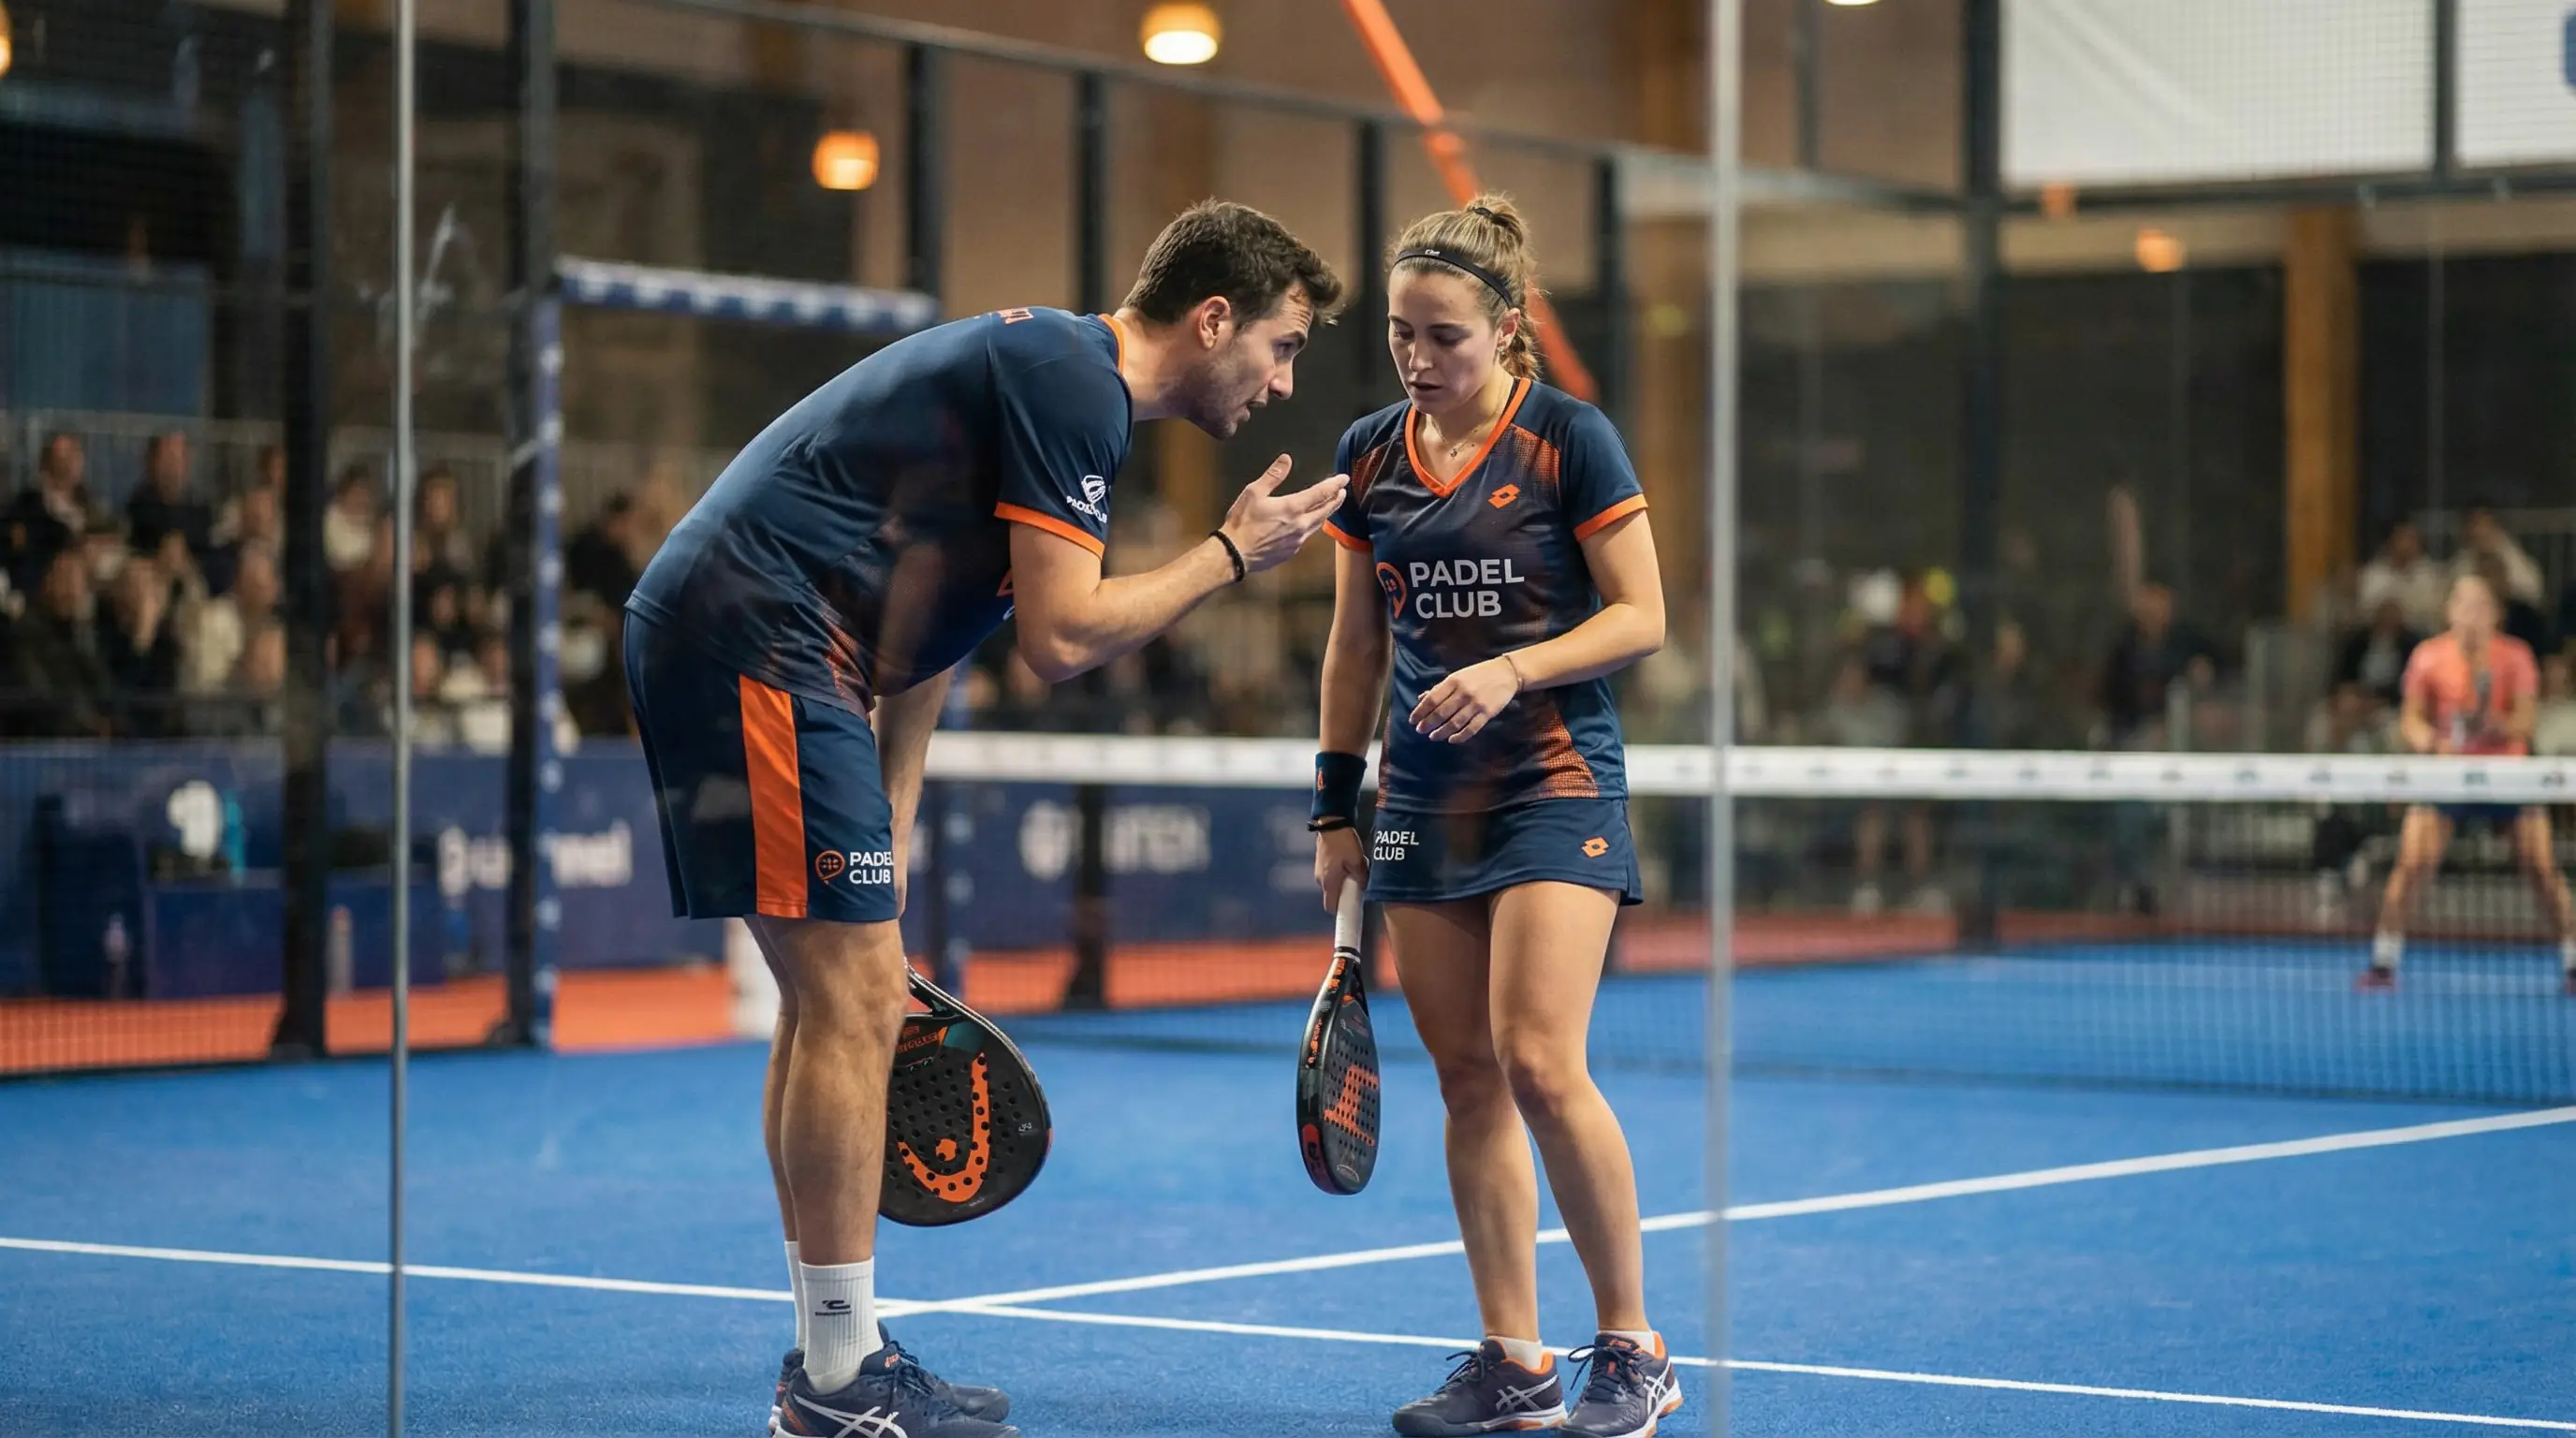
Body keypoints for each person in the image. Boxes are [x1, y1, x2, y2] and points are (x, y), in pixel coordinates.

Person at [622, 198, 1345, 1438]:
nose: (1281, 381)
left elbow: (932, 613)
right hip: (759, 634)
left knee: (829, 999)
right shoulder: (1077, 385)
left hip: (768, 640)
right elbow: (1063, 639)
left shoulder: (1052, 381)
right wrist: (1229, 556)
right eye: (1279, 345)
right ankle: (840, 1384)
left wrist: (892, 807)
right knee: (851, 1004)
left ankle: (832, 1355)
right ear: (1212, 318)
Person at [1310, 196, 1677, 1438]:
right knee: (1467, 1077)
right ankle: (1514, 1362)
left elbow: (1643, 615)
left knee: (1537, 1061)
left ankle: (1632, 1349)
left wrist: (1517, 669)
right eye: (1403, 333)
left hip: (1555, 784)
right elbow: (1356, 642)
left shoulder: (1571, 439)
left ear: (1509, 329)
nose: (1418, 356)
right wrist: (1332, 805)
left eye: (1445, 335)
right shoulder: (1370, 453)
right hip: (1419, 801)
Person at [2362, 574, 2576, 993]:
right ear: (2449, 610)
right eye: (2463, 604)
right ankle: (2384, 961)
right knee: (2412, 864)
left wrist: (2494, 724)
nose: (2471, 614)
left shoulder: (2516, 656)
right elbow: (2411, 720)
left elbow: (2527, 722)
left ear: (2495, 614)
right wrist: (2430, 740)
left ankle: (2573, 962)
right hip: (2447, 775)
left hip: (2508, 778)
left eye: (2481, 605)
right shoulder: (2427, 657)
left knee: (2542, 868)